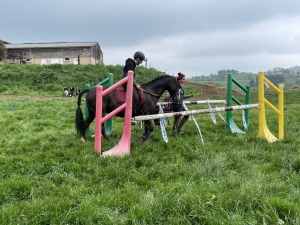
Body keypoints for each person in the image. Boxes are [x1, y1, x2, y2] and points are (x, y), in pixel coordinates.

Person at [121, 51, 145, 125]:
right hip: (126, 83)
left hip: (129, 82)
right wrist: (135, 85)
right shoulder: (130, 64)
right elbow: (129, 76)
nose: (141, 63)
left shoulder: (132, 64)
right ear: (138, 59)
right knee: (135, 98)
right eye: (141, 61)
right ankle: (128, 116)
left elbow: (132, 77)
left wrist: (135, 84)